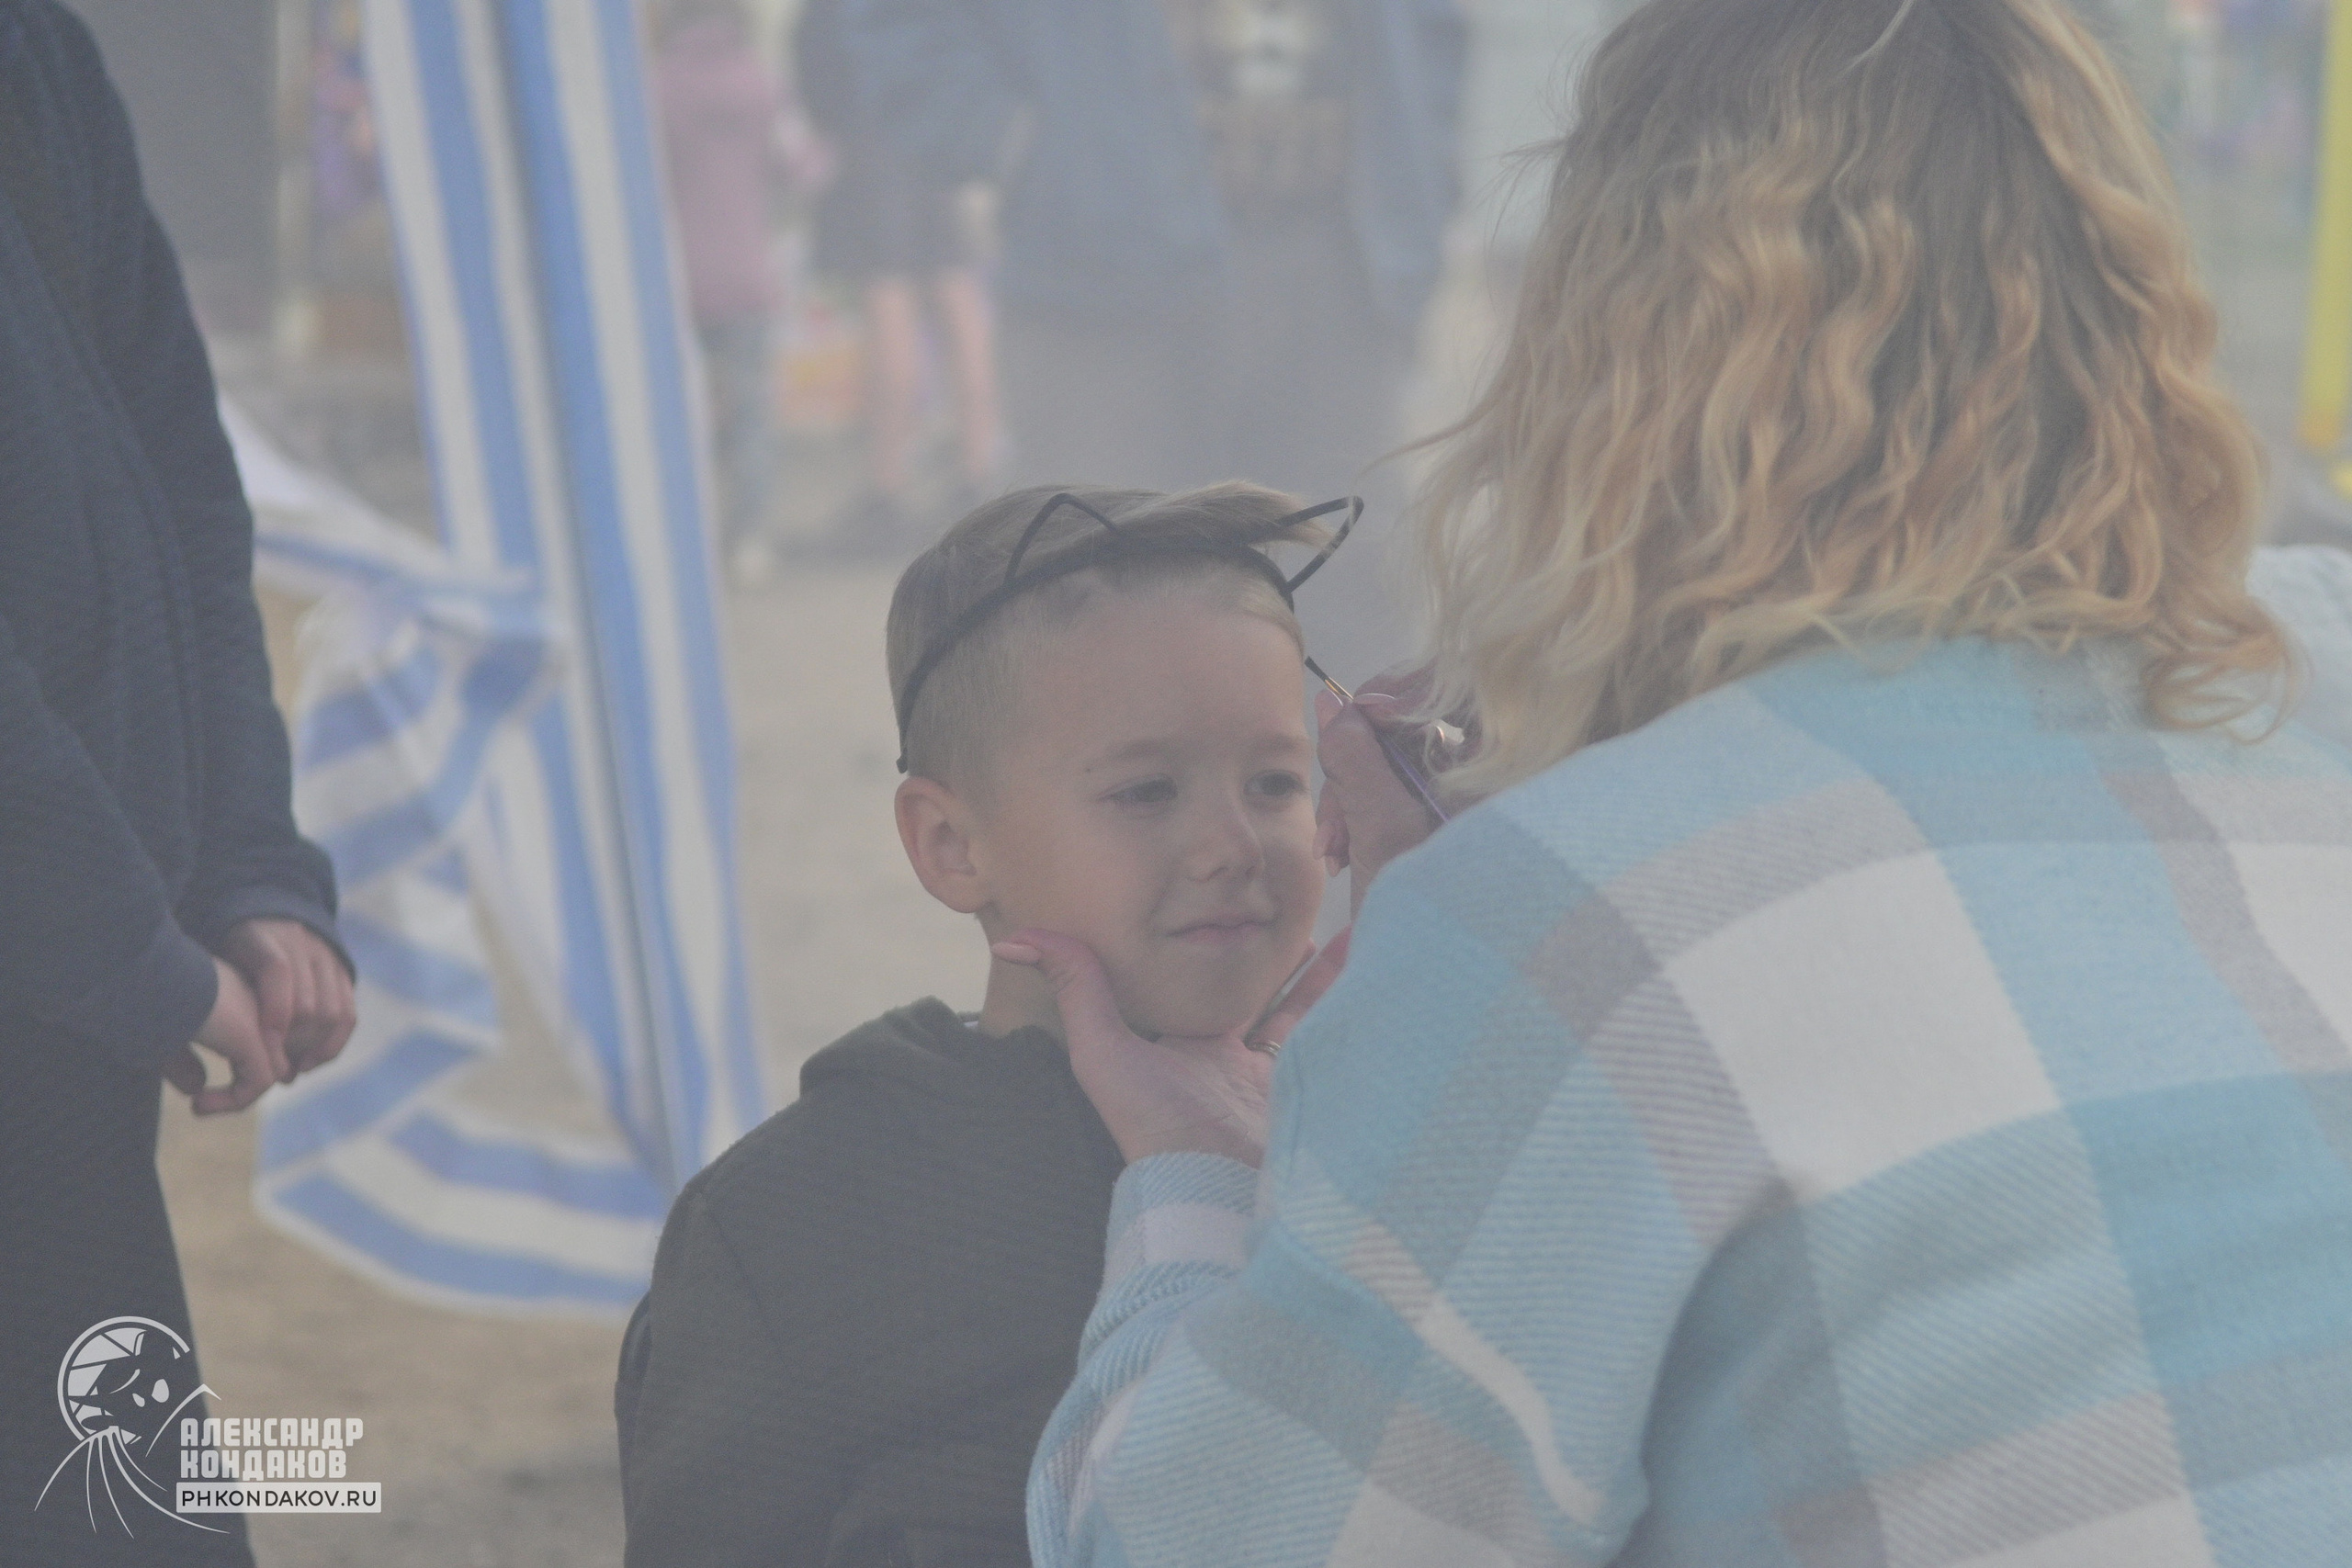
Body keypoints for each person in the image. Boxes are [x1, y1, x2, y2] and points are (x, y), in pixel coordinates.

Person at [1001, 1, 2352, 1563]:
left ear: (1608, 371)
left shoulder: (1566, 921)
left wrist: (1194, 1169)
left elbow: (1189, 1542)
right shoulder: (2315, 665)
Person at [614, 482, 1346, 1566]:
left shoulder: (1376, 1142)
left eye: (1276, 781)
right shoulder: (804, 1223)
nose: (1231, 843)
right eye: (1147, 791)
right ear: (952, 845)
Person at [0, 5, 356, 1564]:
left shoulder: (37, 52)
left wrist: (244, 867)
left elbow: (171, 475)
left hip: (59, 1040)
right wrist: (124, 943)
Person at [847, 0, 1465, 682]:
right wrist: (1016, 141)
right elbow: (896, 21)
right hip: (1099, 261)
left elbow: (1436, 26)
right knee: (1096, 602)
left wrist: (1423, 161)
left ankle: (1331, 788)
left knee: (1346, 593)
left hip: (1335, 250)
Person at [796, 0, 1001, 551]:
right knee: (957, 294)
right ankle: (976, 471)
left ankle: (887, 487)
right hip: (942, 143)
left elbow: (820, 69)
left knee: (889, 306)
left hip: (872, 148)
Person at [656, 0, 825, 584]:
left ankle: (686, 535)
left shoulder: (656, 86)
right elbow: (801, 166)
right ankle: (749, 539)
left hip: (676, 281)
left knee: (682, 412)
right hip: (748, 277)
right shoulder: (761, 84)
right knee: (753, 413)